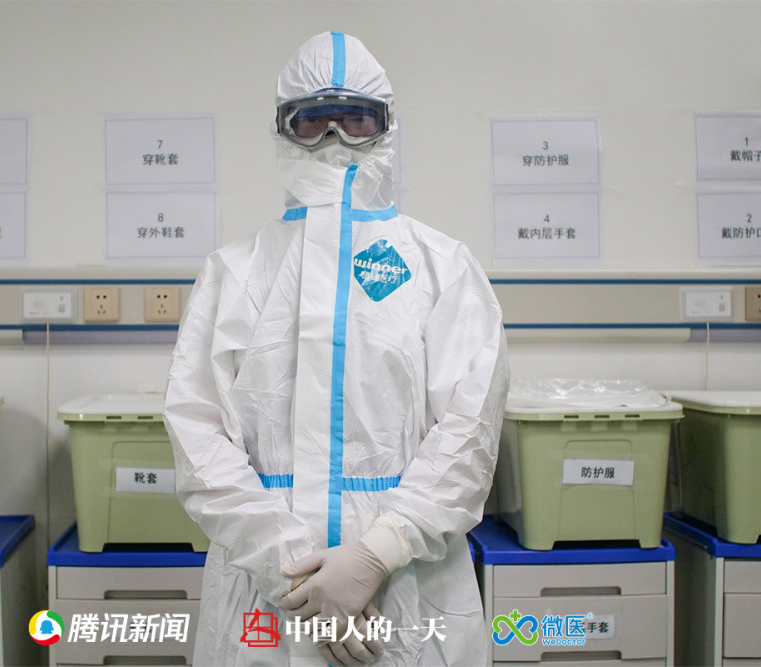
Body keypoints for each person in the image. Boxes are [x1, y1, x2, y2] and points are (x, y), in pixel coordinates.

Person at [164, 31, 509, 666]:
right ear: (282, 129)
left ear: (386, 128)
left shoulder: (442, 268)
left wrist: (378, 552)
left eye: (355, 120)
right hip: (266, 592)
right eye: (313, 121)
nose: (333, 140)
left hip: (408, 580)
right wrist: (291, 571)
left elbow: (470, 433)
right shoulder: (234, 272)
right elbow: (198, 437)